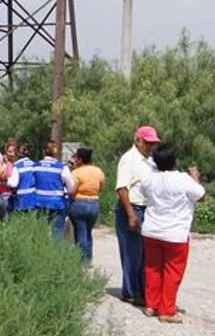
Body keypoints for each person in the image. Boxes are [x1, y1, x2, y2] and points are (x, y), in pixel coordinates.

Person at [140, 144, 205, 324]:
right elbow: (201, 196)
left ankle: (151, 304)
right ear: (174, 161)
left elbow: (144, 193)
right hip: (175, 233)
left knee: (152, 269)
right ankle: (167, 310)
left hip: (152, 230)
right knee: (172, 272)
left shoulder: (149, 179)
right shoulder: (183, 179)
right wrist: (195, 178)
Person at [115, 126, 160, 306]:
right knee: (131, 253)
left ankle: (141, 290)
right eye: (148, 142)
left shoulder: (149, 161)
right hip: (132, 208)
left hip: (146, 209)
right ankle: (130, 291)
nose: (150, 146)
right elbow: (122, 188)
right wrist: (131, 214)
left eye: (153, 143)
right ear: (138, 140)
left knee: (144, 253)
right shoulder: (129, 159)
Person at [14, 141, 77, 236]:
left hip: (39, 203)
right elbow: (71, 188)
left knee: (41, 229)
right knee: (57, 229)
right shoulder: (62, 167)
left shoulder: (35, 166)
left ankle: (41, 248)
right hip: (57, 203)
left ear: (43, 151)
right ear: (55, 152)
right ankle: (56, 250)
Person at [68, 147, 107, 261]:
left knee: (80, 232)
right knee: (88, 232)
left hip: (79, 203)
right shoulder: (98, 171)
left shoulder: (76, 173)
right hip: (94, 203)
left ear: (79, 159)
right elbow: (101, 188)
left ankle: (82, 259)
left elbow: (72, 190)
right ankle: (88, 258)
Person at [0, 140, 21, 212]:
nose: (12, 154)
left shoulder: (20, 164)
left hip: (17, 197)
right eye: (9, 151)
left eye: (14, 151)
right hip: (4, 196)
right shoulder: (3, 164)